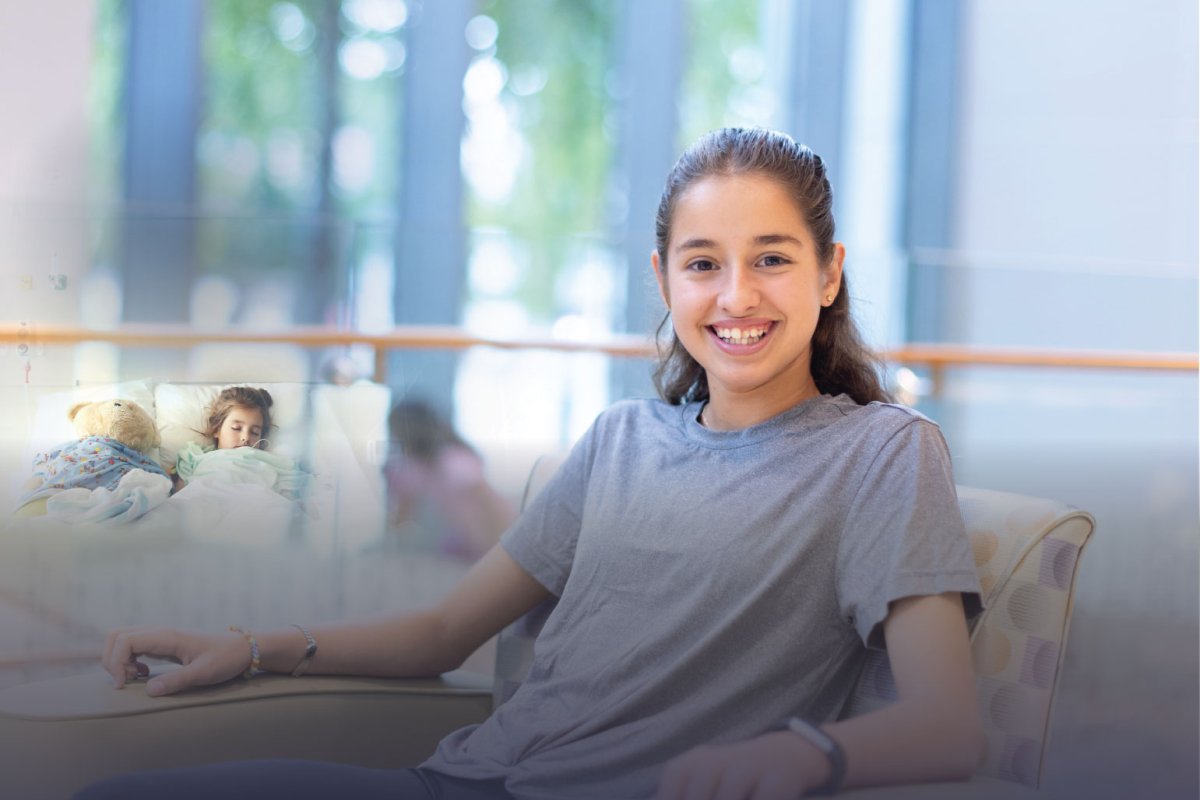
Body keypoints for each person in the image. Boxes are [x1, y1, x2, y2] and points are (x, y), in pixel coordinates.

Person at [83, 128, 984, 800]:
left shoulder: (884, 454)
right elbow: (442, 634)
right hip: (459, 781)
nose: (736, 295)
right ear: (665, 279)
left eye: (773, 260)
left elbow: (949, 728)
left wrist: (799, 755)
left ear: (828, 274)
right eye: (703, 263)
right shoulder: (620, 440)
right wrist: (245, 649)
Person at [383, 399, 517, 561]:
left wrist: (498, 552)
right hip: (470, 543)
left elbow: (491, 507)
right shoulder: (419, 468)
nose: (393, 438)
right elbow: (401, 518)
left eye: (394, 432)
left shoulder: (452, 461)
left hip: (489, 541)